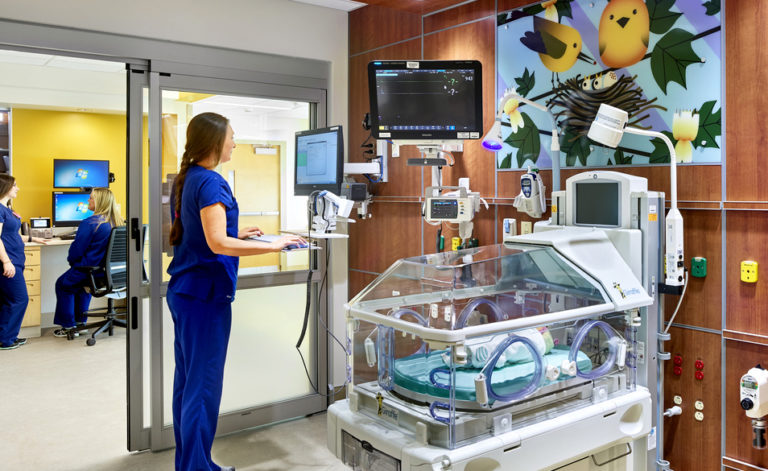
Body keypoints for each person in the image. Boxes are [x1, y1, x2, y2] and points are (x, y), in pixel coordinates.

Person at [167, 112, 303, 471]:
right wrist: (274, 247)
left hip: (186, 291)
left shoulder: (188, 178)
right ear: (214, 142)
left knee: (188, 383)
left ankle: (190, 464)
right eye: (231, 137)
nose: (234, 143)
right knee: (203, 388)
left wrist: (238, 232)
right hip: (205, 297)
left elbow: (201, 232)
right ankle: (197, 467)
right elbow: (216, 243)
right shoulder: (210, 181)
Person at [52, 187, 123, 339]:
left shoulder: (90, 223)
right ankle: (81, 323)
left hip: (88, 269)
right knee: (81, 286)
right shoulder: (117, 222)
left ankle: (68, 326)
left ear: (99, 201)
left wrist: (72, 263)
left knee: (63, 284)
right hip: (108, 273)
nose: (87, 200)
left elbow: (76, 252)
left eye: (91, 198)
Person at [0, 175, 48, 350]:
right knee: (20, 299)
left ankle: (6, 337)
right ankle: (6, 339)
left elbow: (10, 235)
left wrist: (32, 237)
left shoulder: (6, 209)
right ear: (5, 188)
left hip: (15, 260)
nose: (17, 188)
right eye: (15, 185)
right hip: (8, 262)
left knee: (9, 300)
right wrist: (6, 261)